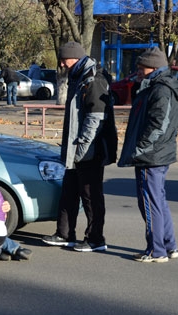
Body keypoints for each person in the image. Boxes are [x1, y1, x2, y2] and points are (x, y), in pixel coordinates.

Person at [42, 41, 118, 252]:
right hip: (76, 148)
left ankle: (96, 239)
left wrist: (82, 147)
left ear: (74, 58)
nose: (63, 65)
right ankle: (65, 234)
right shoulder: (79, 77)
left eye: (64, 60)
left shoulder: (93, 80)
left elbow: (95, 118)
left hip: (90, 150)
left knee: (91, 196)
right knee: (69, 191)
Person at [118, 47, 178, 263]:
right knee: (158, 201)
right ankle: (168, 245)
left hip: (151, 155)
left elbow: (158, 124)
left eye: (141, 67)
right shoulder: (157, 86)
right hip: (158, 154)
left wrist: (141, 148)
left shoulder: (160, 89)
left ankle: (157, 250)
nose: (137, 71)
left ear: (153, 68)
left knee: (150, 203)